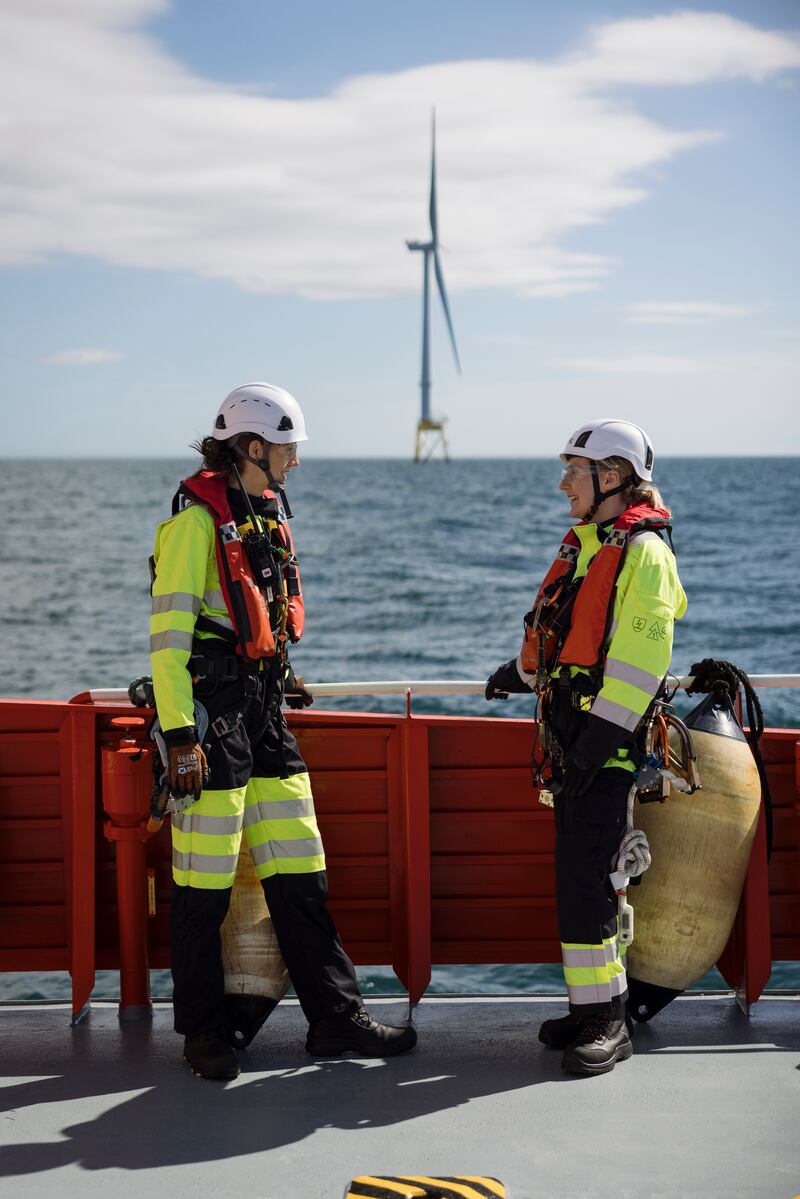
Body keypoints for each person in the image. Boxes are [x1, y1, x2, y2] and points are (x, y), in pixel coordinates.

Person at [149, 381, 417, 1080]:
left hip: (266, 715)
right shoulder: (193, 527)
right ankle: (204, 1033)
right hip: (212, 727)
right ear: (253, 447)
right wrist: (180, 738)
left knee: (302, 875)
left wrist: (278, 670)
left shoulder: (263, 517)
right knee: (200, 889)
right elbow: (169, 645)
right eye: (289, 448)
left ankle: (334, 1016)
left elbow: (259, 617)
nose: (296, 462)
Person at [485, 419, 686, 1076]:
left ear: (613, 476)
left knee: (594, 881)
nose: (563, 482)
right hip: (575, 742)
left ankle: (610, 1021)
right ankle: (589, 1005)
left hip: (608, 747)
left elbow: (637, 665)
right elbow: (569, 636)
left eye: (575, 469)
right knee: (577, 882)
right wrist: (516, 675)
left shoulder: (643, 554)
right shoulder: (593, 544)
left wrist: (594, 749)